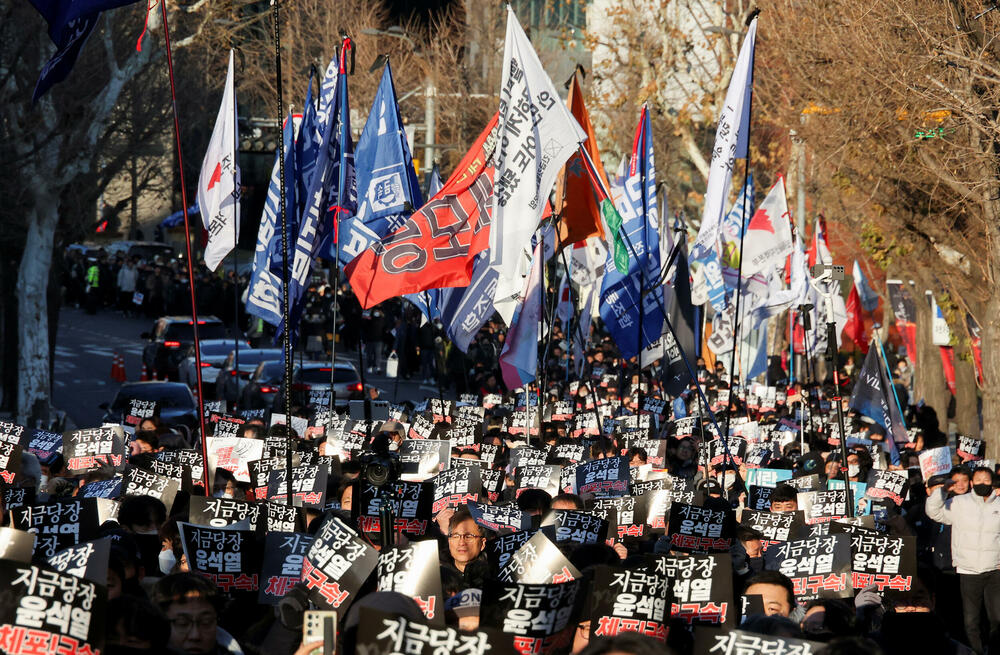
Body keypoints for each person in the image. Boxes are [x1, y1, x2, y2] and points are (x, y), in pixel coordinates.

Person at [925, 467, 1000, 653]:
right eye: (979, 479)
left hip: (995, 568)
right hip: (968, 569)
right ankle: (975, 651)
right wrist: (941, 492)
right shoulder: (958, 503)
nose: (983, 483)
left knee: (996, 618)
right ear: (973, 483)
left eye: (986, 479)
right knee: (970, 619)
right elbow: (934, 512)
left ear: (992, 483)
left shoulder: (998, 504)